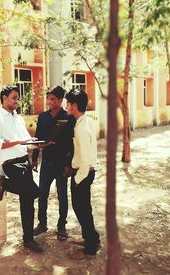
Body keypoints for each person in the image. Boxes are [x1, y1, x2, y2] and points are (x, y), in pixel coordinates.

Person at [0, 85, 43, 253]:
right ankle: (3, 181)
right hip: (10, 164)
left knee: (27, 200)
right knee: (35, 192)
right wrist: (17, 142)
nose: (16, 101)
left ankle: (28, 239)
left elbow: (25, 141)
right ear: (4, 98)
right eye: (14, 98)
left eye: (17, 98)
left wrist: (39, 144)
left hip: (23, 160)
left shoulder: (18, 118)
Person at [32, 86, 75, 240]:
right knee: (42, 194)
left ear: (60, 100)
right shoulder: (43, 116)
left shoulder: (68, 117)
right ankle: (42, 224)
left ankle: (61, 226)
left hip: (61, 162)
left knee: (62, 196)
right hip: (47, 162)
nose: (49, 102)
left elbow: (72, 143)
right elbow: (37, 138)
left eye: (52, 99)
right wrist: (35, 157)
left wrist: (68, 164)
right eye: (48, 98)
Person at [65, 88, 100, 256]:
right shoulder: (84, 122)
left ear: (75, 105)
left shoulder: (81, 128)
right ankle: (91, 238)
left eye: (68, 103)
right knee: (84, 208)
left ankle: (91, 245)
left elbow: (86, 158)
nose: (66, 106)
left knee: (81, 209)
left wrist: (78, 179)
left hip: (83, 173)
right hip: (84, 172)